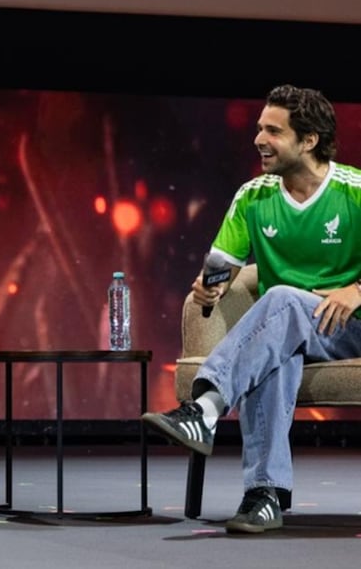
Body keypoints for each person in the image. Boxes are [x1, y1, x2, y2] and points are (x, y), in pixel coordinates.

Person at [142, 84, 361, 534]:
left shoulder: (355, 191)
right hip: (293, 329)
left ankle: (204, 409)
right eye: (259, 128)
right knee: (276, 355)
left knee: (278, 298)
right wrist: (208, 288)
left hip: (351, 328)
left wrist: (357, 289)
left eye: (273, 131)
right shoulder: (253, 197)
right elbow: (220, 268)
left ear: (309, 140)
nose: (258, 139)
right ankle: (264, 496)